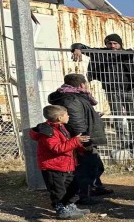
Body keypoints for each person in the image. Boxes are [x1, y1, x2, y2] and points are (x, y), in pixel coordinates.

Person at [70, 34, 134, 154]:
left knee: (133, 118)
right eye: (110, 43)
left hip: (129, 90)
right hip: (112, 91)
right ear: (106, 44)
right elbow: (80, 45)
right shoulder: (100, 53)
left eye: (115, 43)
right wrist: (77, 48)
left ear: (120, 44)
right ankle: (124, 145)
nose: (112, 46)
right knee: (118, 118)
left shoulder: (128, 53)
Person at [47, 73, 113, 206]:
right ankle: (83, 195)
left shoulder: (74, 96)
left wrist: (93, 115)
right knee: (87, 167)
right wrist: (84, 141)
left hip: (84, 136)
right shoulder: (71, 99)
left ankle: (94, 188)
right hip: (82, 139)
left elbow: (79, 115)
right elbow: (76, 123)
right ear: (82, 84)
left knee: (95, 165)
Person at [29, 105, 92, 220]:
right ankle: (61, 209)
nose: (69, 116)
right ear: (59, 118)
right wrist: (75, 141)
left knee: (71, 187)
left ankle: (70, 206)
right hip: (53, 167)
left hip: (66, 165)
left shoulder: (61, 127)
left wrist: (80, 142)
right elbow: (57, 148)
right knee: (58, 191)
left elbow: (66, 144)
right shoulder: (48, 131)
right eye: (66, 114)